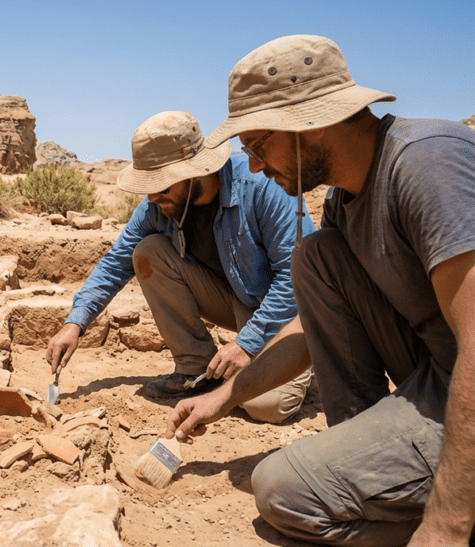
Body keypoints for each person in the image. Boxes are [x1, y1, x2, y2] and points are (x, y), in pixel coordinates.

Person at [168, 34, 475, 546]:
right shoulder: (342, 202)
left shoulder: (426, 165)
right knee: (315, 256)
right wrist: (225, 397)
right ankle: (373, 457)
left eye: (259, 146)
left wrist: (446, 524)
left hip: (460, 393)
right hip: (436, 379)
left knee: (282, 490)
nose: (258, 167)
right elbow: (307, 332)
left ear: (311, 124)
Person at [45, 110, 315, 424]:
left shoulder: (260, 185)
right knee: (149, 252)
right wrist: (74, 324)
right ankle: (195, 369)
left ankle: (291, 362)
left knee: (267, 405)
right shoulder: (158, 205)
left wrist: (247, 344)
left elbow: (297, 277)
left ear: (195, 172)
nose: (151, 196)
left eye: (161, 184)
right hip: (235, 300)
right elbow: (115, 263)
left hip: (283, 314)